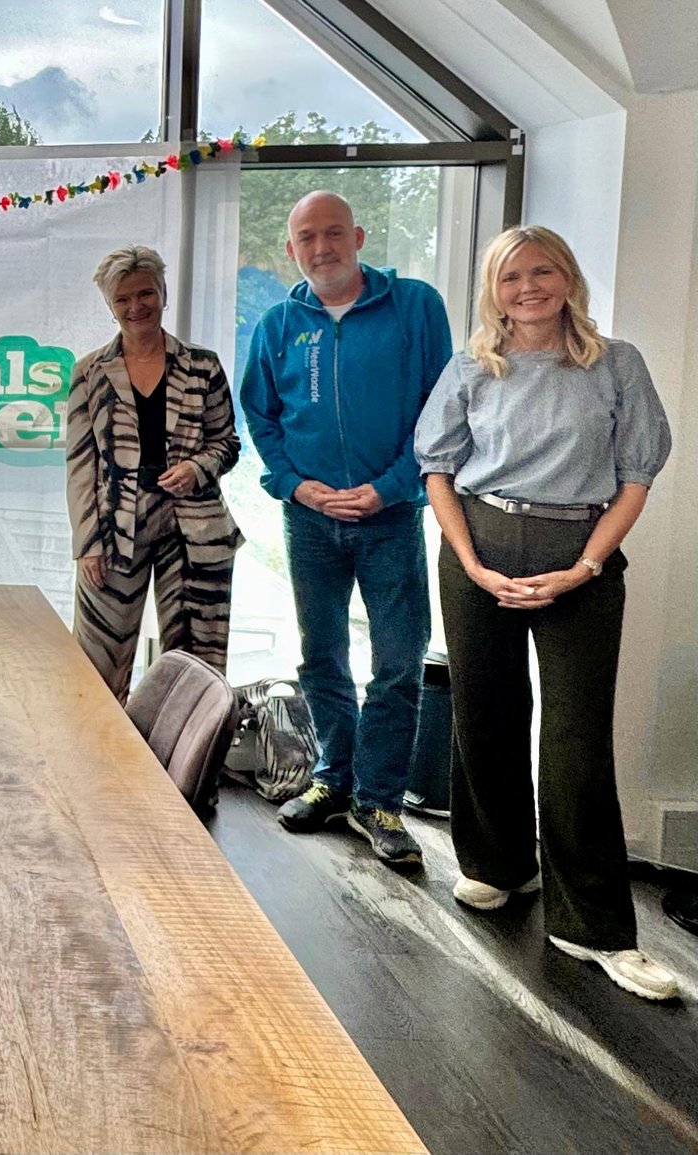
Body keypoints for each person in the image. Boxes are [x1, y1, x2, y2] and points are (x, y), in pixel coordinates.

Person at [416, 225, 678, 999]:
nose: (527, 288)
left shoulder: (616, 364)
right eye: (509, 277)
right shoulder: (472, 366)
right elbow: (437, 468)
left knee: (574, 737)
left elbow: (635, 476)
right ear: (493, 291)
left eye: (541, 272)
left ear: (567, 277)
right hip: (479, 543)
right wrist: (470, 562)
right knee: (487, 713)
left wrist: (586, 566)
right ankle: (498, 865)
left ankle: (592, 925)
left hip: (582, 554)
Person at [239, 190, 451, 870]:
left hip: (390, 521)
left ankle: (380, 800)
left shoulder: (414, 306)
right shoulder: (278, 324)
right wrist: (295, 485)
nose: (322, 246)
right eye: (308, 237)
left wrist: (389, 487)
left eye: (334, 232)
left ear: (358, 236)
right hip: (309, 522)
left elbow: (438, 412)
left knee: (396, 662)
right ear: (292, 250)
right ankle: (334, 778)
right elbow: (262, 418)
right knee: (321, 656)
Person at [66, 244, 243, 702]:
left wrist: (196, 467)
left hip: (196, 530)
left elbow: (228, 443)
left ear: (163, 293)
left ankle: (184, 769)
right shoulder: (89, 372)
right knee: (95, 664)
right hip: (113, 529)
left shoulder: (202, 366)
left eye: (145, 293)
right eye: (122, 299)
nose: (136, 307)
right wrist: (87, 544)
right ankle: (96, 763)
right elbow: (81, 463)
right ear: (110, 306)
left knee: (195, 668)